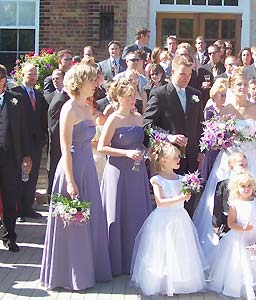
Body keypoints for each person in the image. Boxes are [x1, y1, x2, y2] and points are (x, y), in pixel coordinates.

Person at [193, 72, 256, 267]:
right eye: (238, 85)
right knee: (226, 200)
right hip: (230, 160)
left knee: (252, 198)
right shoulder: (226, 109)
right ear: (232, 87)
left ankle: (255, 245)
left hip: (250, 158)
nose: (242, 88)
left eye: (245, 84)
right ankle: (223, 246)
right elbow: (217, 135)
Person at [40, 63, 112, 290]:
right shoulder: (69, 108)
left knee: (89, 219)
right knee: (71, 222)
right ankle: (68, 275)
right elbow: (64, 147)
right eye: (92, 81)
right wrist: (70, 181)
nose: (95, 85)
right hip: (71, 168)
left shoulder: (86, 106)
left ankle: (90, 270)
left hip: (88, 168)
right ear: (80, 82)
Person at [130, 142, 207, 296]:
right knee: (162, 250)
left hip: (180, 218)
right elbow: (160, 202)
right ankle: (161, 281)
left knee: (181, 249)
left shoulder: (182, 178)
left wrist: (187, 194)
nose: (179, 159)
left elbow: (184, 197)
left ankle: (180, 281)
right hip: (163, 219)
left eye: (179, 156)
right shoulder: (157, 180)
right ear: (164, 161)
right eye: (175, 157)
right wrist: (181, 197)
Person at [98, 79, 152, 276]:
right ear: (119, 98)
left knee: (136, 213)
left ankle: (135, 260)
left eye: (133, 95)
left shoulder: (139, 118)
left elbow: (143, 143)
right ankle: (116, 262)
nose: (133, 99)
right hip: (118, 173)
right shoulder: (113, 119)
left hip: (137, 174)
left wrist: (149, 151)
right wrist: (125, 153)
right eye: (128, 96)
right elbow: (102, 146)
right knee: (117, 213)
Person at [208, 171, 256, 300]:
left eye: (249, 186)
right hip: (238, 238)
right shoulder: (234, 205)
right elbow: (231, 223)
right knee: (239, 261)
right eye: (243, 186)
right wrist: (243, 228)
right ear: (236, 188)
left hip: (255, 236)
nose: (246, 189)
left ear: (253, 187)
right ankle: (237, 284)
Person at [143, 55, 203, 217]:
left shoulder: (195, 94)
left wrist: (201, 152)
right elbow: (147, 126)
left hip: (191, 158)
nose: (186, 78)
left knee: (189, 202)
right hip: (168, 160)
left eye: (189, 74)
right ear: (173, 71)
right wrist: (169, 138)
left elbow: (200, 125)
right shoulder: (160, 94)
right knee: (171, 204)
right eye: (182, 74)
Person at [0, 64, 32, 252]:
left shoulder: (16, 100)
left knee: (10, 197)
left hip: (11, 157)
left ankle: (9, 236)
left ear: (4, 80)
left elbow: (24, 130)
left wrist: (26, 156)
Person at [12, 63, 48, 222]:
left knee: (32, 176)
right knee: (20, 176)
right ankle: (18, 210)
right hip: (19, 143)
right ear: (22, 75)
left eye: (34, 74)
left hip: (35, 143)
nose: (32, 77)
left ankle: (28, 208)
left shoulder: (39, 95)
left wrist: (43, 138)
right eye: (29, 74)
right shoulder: (15, 93)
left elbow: (42, 118)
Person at [212, 152, 248, 237]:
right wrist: (216, 223)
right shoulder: (223, 184)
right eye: (241, 165)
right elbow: (217, 205)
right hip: (227, 221)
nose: (245, 167)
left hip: (244, 221)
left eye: (246, 165)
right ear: (231, 167)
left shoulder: (250, 185)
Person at [201, 79, 227, 181]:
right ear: (215, 95)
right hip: (213, 146)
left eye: (225, 95)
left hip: (224, 145)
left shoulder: (228, 109)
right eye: (221, 95)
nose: (224, 98)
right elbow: (209, 127)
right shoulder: (210, 110)